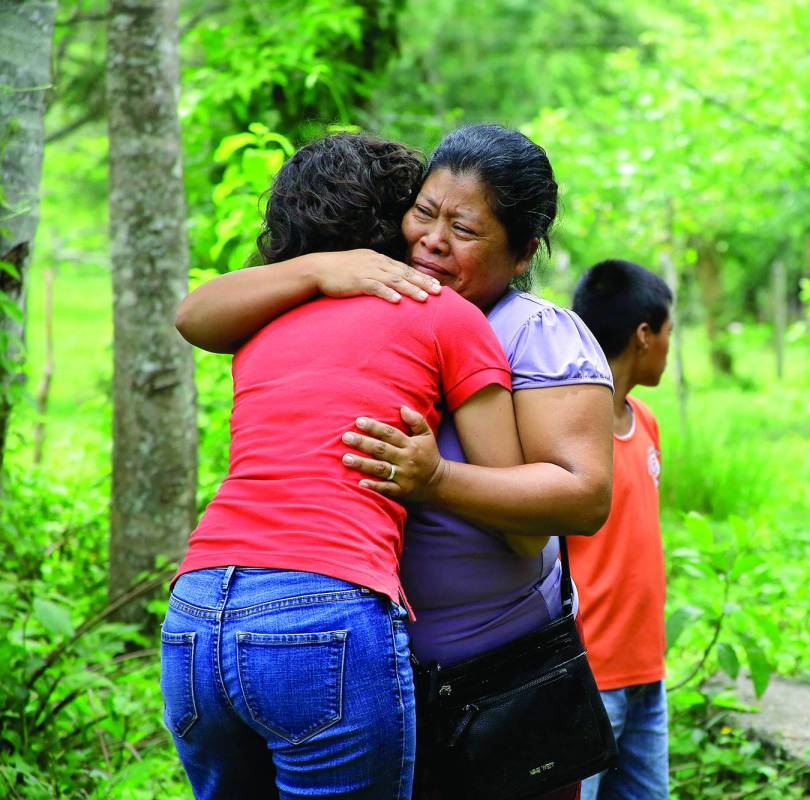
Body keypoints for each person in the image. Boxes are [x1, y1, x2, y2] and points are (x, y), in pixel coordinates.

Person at [174, 123, 614, 799]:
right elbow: (197, 316)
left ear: (522, 253)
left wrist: (436, 480)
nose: (434, 240)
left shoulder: (532, 333)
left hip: (493, 683)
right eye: (425, 213)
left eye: (465, 229)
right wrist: (321, 266)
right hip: (370, 668)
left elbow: (581, 498)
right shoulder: (371, 300)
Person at [570, 259, 673, 800]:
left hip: (646, 670)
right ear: (643, 336)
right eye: (667, 333)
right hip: (589, 676)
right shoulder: (569, 434)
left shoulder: (646, 420)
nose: (667, 345)